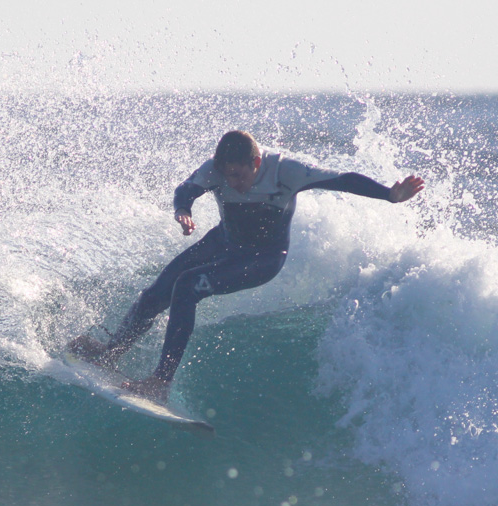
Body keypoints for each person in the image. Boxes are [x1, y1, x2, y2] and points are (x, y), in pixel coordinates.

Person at [67, 130, 424, 403]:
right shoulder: (216, 170)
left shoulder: (286, 171)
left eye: (239, 175)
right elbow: (187, 189)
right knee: (157, 291)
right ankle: (109, 354)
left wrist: (389, 195)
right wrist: (184, 210)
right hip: (224, 241)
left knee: (187, 286)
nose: (233, 184)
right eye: (227, 177)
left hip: (263, 258)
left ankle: (160, 382)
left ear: (256, 163)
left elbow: (342, 179)